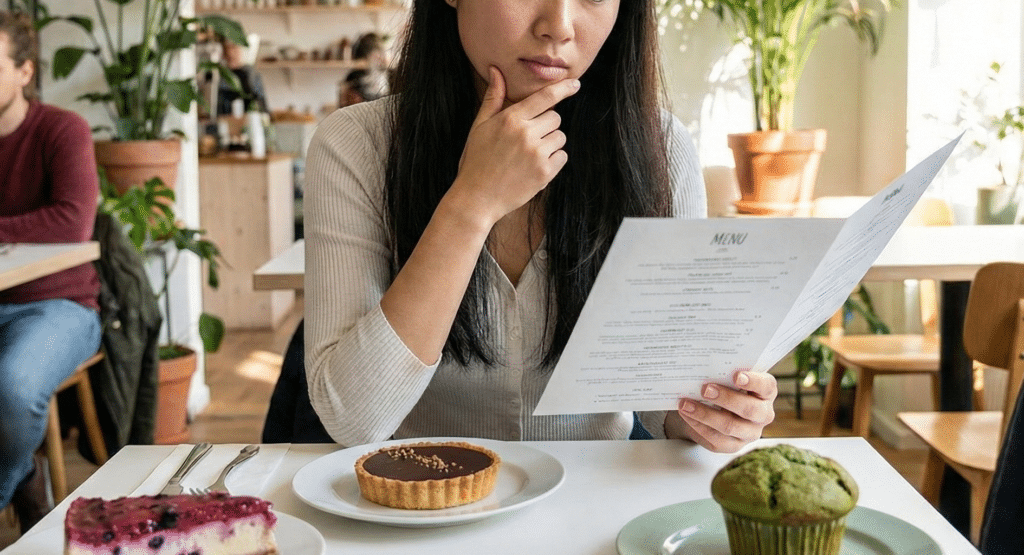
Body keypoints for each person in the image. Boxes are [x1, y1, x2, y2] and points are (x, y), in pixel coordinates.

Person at [304, 0, 777, 453]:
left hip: (593, 506)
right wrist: (471, 204)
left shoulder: (660, 149)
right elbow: (354, 419)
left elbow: (662, 407)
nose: (560, 25)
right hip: (425, 502)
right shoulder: (357, 145)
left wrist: (717, 415)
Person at [0, 11, 102, 531]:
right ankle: (25, 481)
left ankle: (10, 487)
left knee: (14, 388)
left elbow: (72, 220)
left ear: (24, 71)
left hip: (59, 307)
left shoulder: (62, 129)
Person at [216, 34, 268, 116]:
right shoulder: (219, 75)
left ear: (240, 49)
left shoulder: (252, 73)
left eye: (234, 48)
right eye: (227, 49)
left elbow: (261, 102)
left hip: (250, 119)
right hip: (226, 119)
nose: (231, 52)